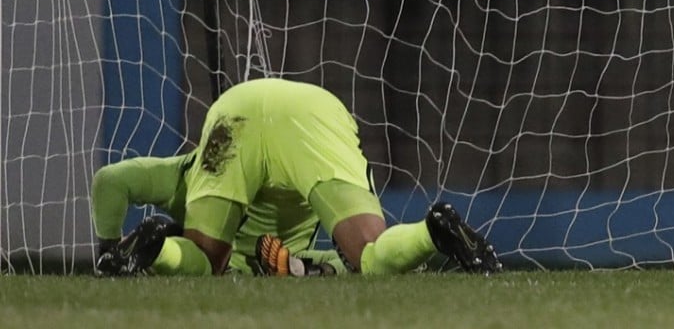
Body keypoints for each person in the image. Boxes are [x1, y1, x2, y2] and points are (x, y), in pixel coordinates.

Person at [92, 77, 501, 276]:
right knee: (372, 255)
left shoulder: (187, 173)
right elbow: (323, 266)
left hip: (236, 114)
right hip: (314, 111)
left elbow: (109, 179)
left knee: (205, 264)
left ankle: (153, 247)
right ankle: (433, 232)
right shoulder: (184, 171)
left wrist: (107, 249)